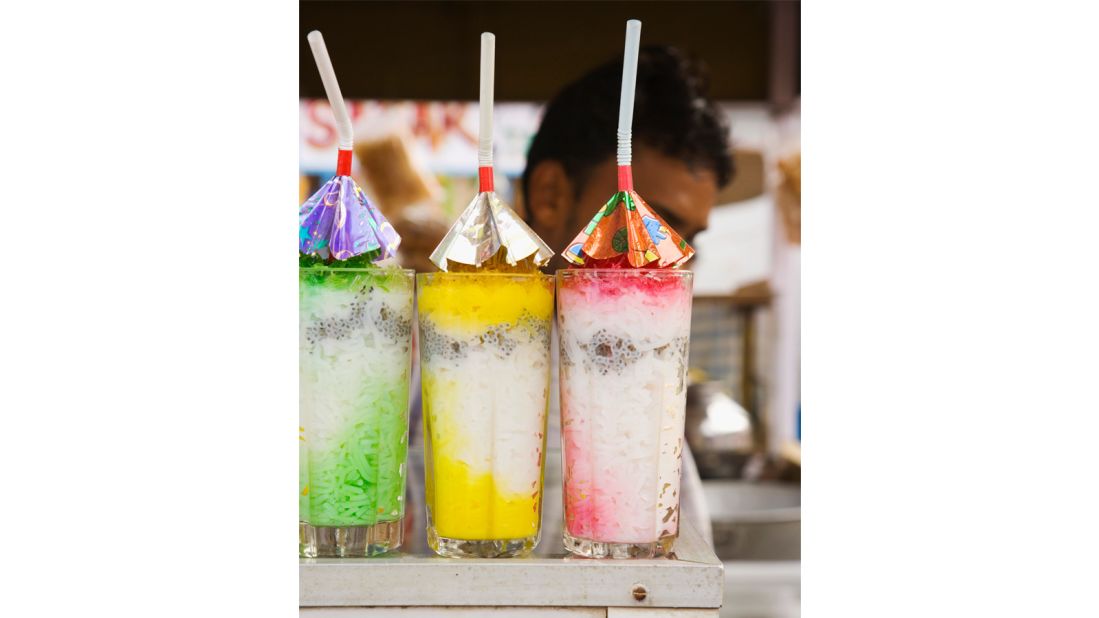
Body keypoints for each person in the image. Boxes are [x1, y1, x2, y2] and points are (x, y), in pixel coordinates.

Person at [522, 45, 735, 547]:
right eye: (651, 226)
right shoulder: (434, 357)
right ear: (551, 195)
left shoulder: (641, 388)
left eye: (688, 243)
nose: (669, 263)